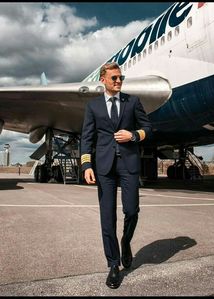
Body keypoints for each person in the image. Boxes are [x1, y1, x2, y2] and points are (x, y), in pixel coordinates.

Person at [80, 62, 152, 289]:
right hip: (104, 167)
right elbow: (87, 139)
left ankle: (126, 241)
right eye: (114, 78)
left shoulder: (133, 102)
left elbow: (147, 129)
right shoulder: (93, 107)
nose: (119, 81)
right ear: (103, 79)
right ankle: (113, 264)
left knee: (132, 210)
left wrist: (132, 135)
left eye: (121, 78)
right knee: (107, 217)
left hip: (128, 164)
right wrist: (86, 165)